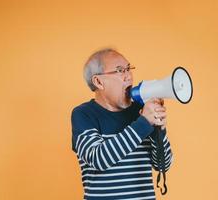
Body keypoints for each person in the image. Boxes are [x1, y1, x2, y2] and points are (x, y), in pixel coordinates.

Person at [71, 48, 173, 200]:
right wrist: (144, 122)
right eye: (120, 71)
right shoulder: (84, 114)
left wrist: (159, 130)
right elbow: (99, 159)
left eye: (128, 69)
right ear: (98, 81)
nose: (129, 76)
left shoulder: (141, 112)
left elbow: (163, 165)